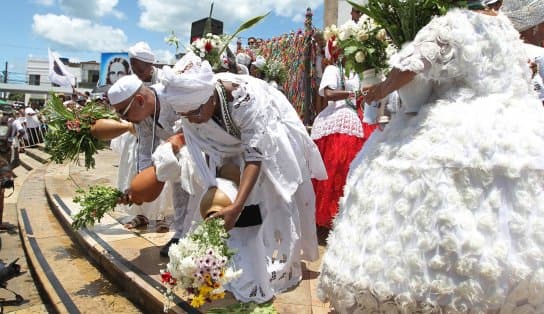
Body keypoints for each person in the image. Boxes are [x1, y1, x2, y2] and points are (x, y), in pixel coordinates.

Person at [318, 1, 544, 313]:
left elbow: (412, 63)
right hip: (517, 128)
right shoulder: (505, 28)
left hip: (455, 124)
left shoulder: (453, 24)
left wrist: (382, 88)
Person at [121, 51, 327, 303]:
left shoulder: (243, 99)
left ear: (209, 98)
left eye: (196, 112)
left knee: (270, 198)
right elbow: (201, 145)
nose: (194, 120)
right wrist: (223, 193)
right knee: (228, 202)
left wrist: (237, 205)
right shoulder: (191, 106)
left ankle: (274, 257)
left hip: (268, 140)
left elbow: (255, 155)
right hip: (232, 149)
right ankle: (236, 258)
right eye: (186, 116)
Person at [122, 41, 193, 256]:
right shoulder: (137, 98)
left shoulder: (170, 88)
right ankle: (180, 234)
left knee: (198, 192)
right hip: (174, 150)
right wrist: (140, 179)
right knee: (179, 188)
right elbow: (144, 144)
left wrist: (178, 141)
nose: (138, 73)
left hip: (196, 144)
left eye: (140, 68)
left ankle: (194, 233)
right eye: (134, 69)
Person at [310, 40, 366, 230]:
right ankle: (328, 219)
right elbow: (328, 93)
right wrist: (352, 93)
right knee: (334, 170)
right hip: (335, 123)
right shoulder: (333, 69)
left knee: (348, 171)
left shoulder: (358, 72)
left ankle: (348, 217)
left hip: (352, 123)